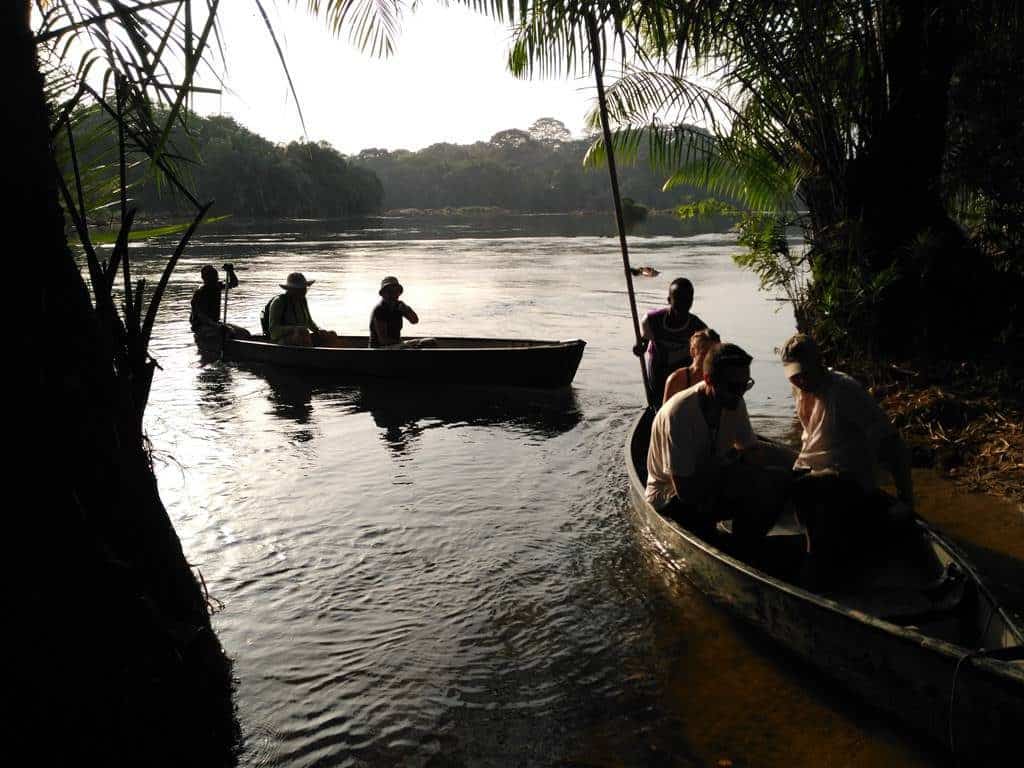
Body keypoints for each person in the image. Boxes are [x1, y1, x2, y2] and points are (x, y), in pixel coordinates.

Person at [781, 333, 916, 585]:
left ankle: (815, 563)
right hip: (815, 472)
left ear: (820, 363)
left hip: (849, 478)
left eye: (804, 373)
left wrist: (906, 499)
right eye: (793, 375)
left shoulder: (845, 391)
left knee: (802, 489)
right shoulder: (800, 388)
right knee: (776, 477)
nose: (800, 380)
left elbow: (892, 443)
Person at [646, 342, 790, 542]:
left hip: (709, 481)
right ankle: (729, 542)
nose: (740, 394)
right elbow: (686, 492)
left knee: (776, 481)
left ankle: (744, 546)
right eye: (733, 387)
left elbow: (750, 450)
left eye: (745, 385)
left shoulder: (734, 401)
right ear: (708, 380)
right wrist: (731, 464)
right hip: (670, 497)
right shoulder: (679, 414)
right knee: (755, 482)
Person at [634, 277, 707, 406]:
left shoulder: (698, 327)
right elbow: (644, 340)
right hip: (658, 366)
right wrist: (640, 346)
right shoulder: (652, 321)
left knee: (682, 403)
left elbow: (709, 354)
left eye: (687, 300)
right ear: (669, 300)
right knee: (659, 402)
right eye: (678, 300)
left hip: (683, 366)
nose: (683, 304)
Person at [265, 272, 340, 347]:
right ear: (291, 289)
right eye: (301, 289)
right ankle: (311, 356)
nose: (304, 291)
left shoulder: (302, 300)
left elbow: (309, 322)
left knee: (331, 335)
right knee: (303, 332)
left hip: (303, 338)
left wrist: (319, 330)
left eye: (305, 288)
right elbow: (273, 332)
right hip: (282, 342)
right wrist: (294, 329)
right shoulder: (279, 302)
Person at [190, 264, 249, 345]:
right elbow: (201, 317)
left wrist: (230, 271)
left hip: (215, 323)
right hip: (201, 326)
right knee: (227, 332)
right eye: (213, 279)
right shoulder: (200, 293)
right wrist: (218, 326)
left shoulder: (217, 286)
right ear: (205, 279)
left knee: (244, 333)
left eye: (216, 278)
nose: (216, 280)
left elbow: (233, 283)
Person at [662, 328, 721, 403]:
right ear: (692, 351)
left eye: (713, 353)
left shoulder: (721, 378)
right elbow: (664, 413)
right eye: (704, 352)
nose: (709, 357)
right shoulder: (677, 379)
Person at [369, 276, 420, 347]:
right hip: (380, 348)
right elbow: (383, 340)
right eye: (389, 291)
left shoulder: (400, 306)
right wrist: (404, 344)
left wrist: (407, 310)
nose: (393, 294)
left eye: (396, 291)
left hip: (396, 345)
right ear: (383, 294)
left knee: (430, 342)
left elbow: (414, 321)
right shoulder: (380, 310)